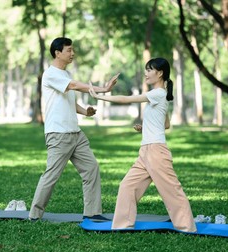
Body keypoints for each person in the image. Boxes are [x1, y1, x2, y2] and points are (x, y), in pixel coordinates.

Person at [89, 57, 196, 232]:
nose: (146, 73)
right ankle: (122, 225)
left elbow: (127, 99)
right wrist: (145, 127)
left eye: (149, 69)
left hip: (156, 151)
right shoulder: (160, 96)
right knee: (127, 186)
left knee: (171, 190)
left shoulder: (158, 93)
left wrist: (99, 96)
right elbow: (166, 124)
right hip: (145, 152)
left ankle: (187, 227)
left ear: (159, 73)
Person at [28, 37, 120, 221]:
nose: (73, 53)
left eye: (72, 50)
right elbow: (74, 86)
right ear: (58, 53)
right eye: (69, 50)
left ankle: (92, 212)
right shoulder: (51, 74)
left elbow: (69, 100)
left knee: (91, 168)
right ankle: (34, 215)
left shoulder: (65, 74)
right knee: (52, 175)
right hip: (59, 134)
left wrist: (85, 111)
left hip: (75, 133)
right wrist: (103, 89)